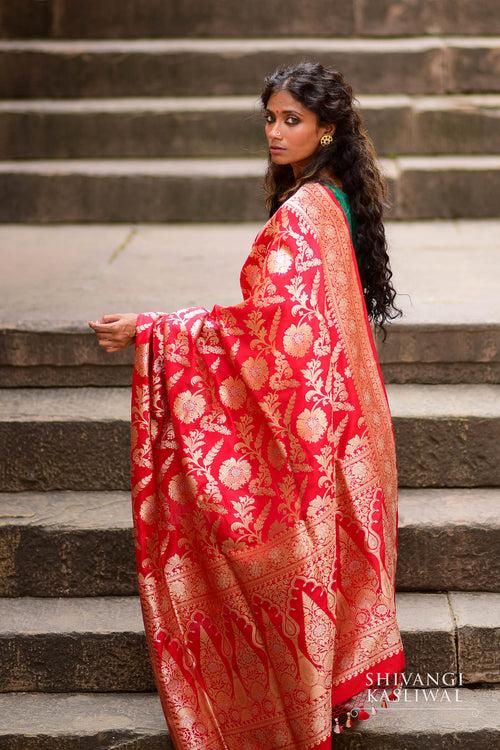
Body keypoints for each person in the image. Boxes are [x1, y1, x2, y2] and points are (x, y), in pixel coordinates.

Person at [89, 62, 405, 750]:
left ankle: (288, 710)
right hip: (342, 427)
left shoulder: (304, 212)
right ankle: (321, 700)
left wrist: (153, 328)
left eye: (292, 120)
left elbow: (268, 333)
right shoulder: (332, 200)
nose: (276, 131)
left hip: (316, 428)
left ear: (327, 129)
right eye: (269, 118)